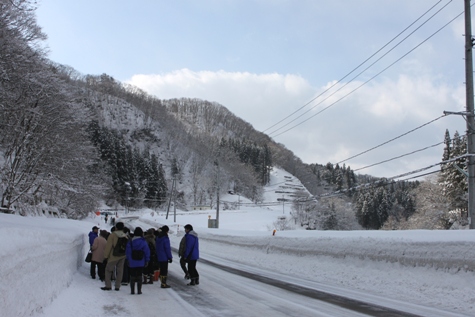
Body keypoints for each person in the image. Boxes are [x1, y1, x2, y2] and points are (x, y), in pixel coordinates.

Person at [102, 222, 128, 291]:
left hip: (113, 256)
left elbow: (108, 247)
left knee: (108, 270)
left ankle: (108, 285)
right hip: (122, 255)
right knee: (120, 271)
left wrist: (105, 256)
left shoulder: (112, 235)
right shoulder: (125, 235)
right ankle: (117, 286)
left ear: (116, 228)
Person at [126, 227, 150, 295]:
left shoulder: (130, 241)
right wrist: (147, 260)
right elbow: (146, 252)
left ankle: (132, 290)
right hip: (141, 261)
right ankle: (139, 290)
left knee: (132, 276)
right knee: (139, 275)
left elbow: (128, 252)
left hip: (132, 261)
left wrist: (128, 259)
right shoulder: (143, 242)